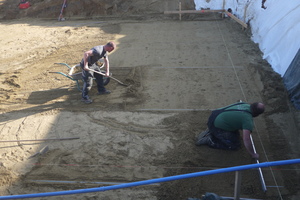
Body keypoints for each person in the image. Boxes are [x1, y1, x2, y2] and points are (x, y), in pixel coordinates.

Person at [195, 101, 265, 159]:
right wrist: (253, 154)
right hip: (216, 125)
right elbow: (246, 139)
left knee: (235, 135)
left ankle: (212, 131)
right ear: (257, 114)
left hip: (214, 117)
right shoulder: (247, 120)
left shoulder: (244, 104)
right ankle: (210, 140)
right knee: (234, 145)